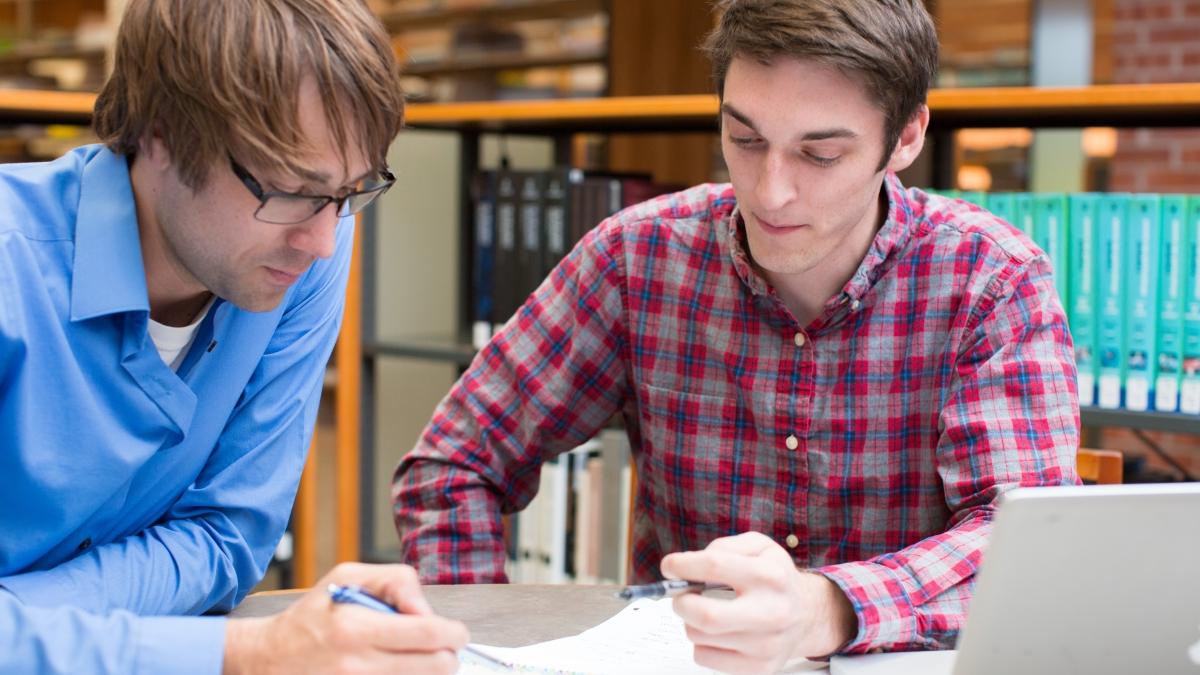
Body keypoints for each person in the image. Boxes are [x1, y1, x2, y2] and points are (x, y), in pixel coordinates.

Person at [393, 0, 1079, 671]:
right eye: (745, 140)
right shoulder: (640, 257)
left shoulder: (991, 279)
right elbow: (455, 464)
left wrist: (827, 608)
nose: (770, 191)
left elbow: (1030, 549)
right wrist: (472, 649)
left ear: (905, 138)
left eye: (820, 154)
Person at [0, 1, 467, 673]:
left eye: (350, 193)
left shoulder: (304, 249)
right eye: (290, 189)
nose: (324, 240)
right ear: (160, 134)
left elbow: (228, 537)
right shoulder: (13, 266)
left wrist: (20, 619)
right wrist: (251, 649)